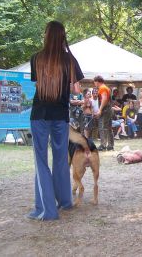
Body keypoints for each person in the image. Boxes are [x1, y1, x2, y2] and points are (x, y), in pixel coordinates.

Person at [28, 21, 84, 221]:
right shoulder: (69, 60)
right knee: (60, 159)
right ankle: (65, 202)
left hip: (40, 114)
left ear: (46, 35)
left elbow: (39, 84)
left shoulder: (37, 58)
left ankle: (46, 210)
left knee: (41, 161)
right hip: (60, 115)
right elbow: (75, 88)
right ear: (62, 36)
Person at [93, 75, 114, 151]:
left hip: (105, 110)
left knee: (102, 127)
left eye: (94, 82)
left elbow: (104, 99)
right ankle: (110, 145)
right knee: (108, 128)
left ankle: (103, 145)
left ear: (97, 81)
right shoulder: (106, 88)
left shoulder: (102, 88)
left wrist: (100, 110)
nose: (94, 84)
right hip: (108, 109)